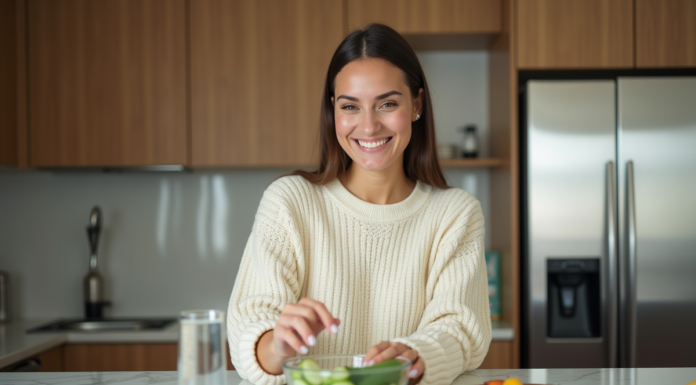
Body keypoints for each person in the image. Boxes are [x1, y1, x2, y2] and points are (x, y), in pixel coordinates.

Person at [227, 23, 492, 385]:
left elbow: (459, 327)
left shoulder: (455, 214)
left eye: (387, 104)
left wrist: (417, 355)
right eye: (350, 106)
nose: (368, 127)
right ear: (333, 111)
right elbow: (251, 323)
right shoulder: (290, 202)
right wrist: (278, 345)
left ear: (416, 104)